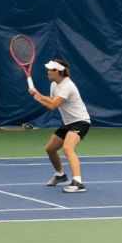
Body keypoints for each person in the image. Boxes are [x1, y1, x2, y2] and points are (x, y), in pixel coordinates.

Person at [29, 58, 91, 193]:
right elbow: (52, 100)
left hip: (81, 121)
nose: (48, 72)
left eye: (51, 69)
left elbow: (52, 106)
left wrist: (37, 96)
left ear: (60, 72)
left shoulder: (68, 86)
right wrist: (38, 95)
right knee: (50, 149)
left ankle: (78, 183)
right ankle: (60, 175)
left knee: (67, 148)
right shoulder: (54, 85)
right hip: (68, 122)